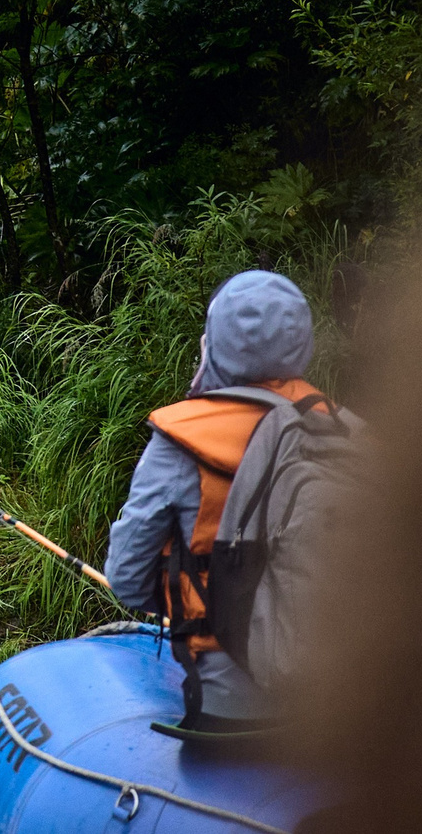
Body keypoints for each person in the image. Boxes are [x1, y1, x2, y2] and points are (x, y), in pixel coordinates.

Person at [104, 267, 324, 728]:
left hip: (229, 708)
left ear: (214, 342)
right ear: (302, 341)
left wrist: (189, 600)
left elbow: (126, 578)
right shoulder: (340, 432)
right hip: (334, 710)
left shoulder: (181, 442)